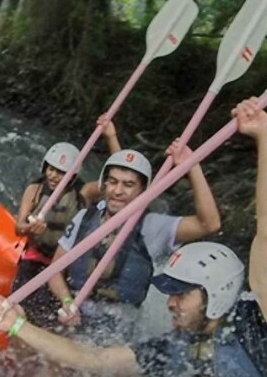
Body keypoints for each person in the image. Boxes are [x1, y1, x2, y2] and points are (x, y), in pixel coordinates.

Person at [0, 98, 267, 376]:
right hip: (81, 314)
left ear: (216, 298)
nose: (170, 302)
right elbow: (95, 360)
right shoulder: (169, 347)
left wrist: (266, 136)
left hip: (115, 319)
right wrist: (18, 326)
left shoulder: (251, 330)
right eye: (172, 293)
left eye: (182, 293)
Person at [45, 134, 221, 343]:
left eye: (128, 185)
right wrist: (66, 301)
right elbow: (54, 271)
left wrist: (192, 166)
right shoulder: (85, 217)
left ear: (141, 191)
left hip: (115, 334)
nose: (118, 191)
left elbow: (209, 224)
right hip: (73, 316)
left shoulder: (153, 227)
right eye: (112, 182)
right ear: (104, 184)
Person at [11, 116, 117, 326]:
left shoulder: (84, 193)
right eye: (51, 169)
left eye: (60, 172)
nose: (53, 175)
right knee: (22, 304)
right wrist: (29, 228)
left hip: (64, 265)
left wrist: (111, 137)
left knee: (49, 315)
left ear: (72, 175)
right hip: (35, 257)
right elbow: (18, 227)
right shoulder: (35, 190)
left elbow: (116, 179)